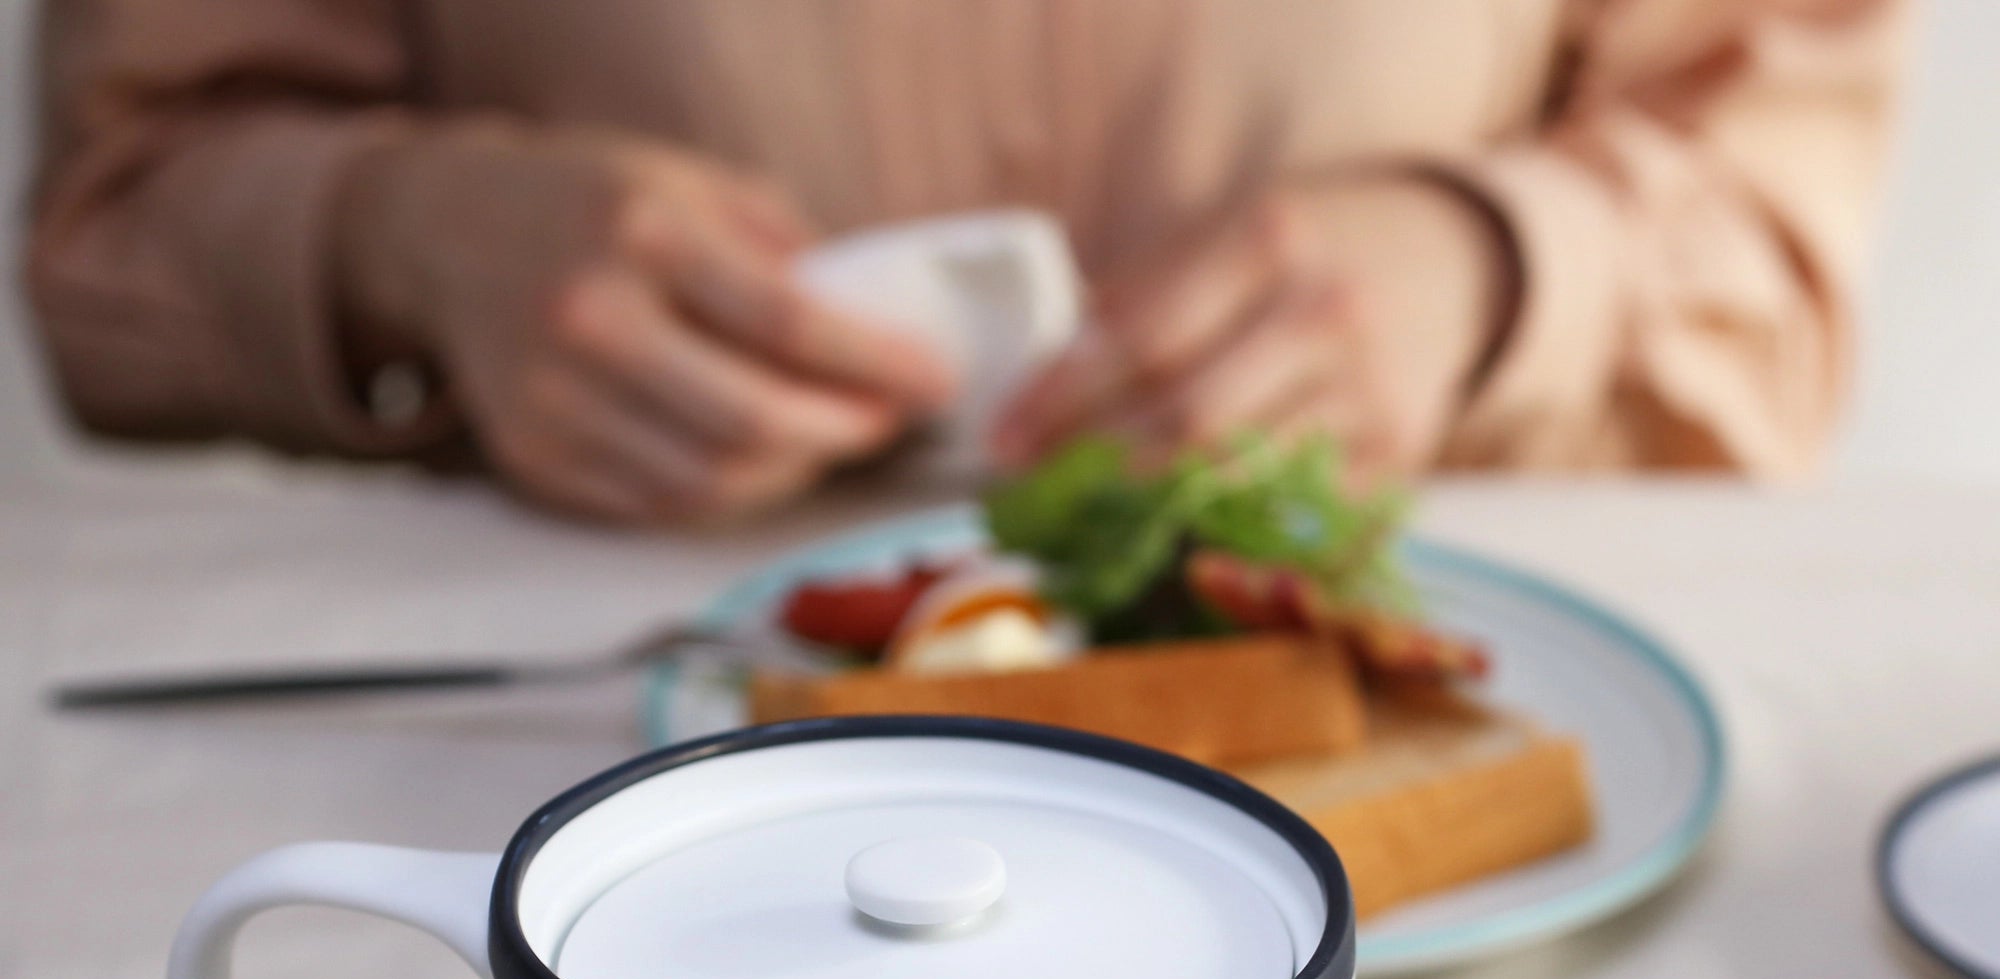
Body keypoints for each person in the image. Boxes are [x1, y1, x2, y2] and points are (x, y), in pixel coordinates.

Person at [24, 0, 1906, 525]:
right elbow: (123, 219)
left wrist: (1492, 272)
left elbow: (1775, 242)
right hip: (585, 752)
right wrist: (409, 236)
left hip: (1399, 738)